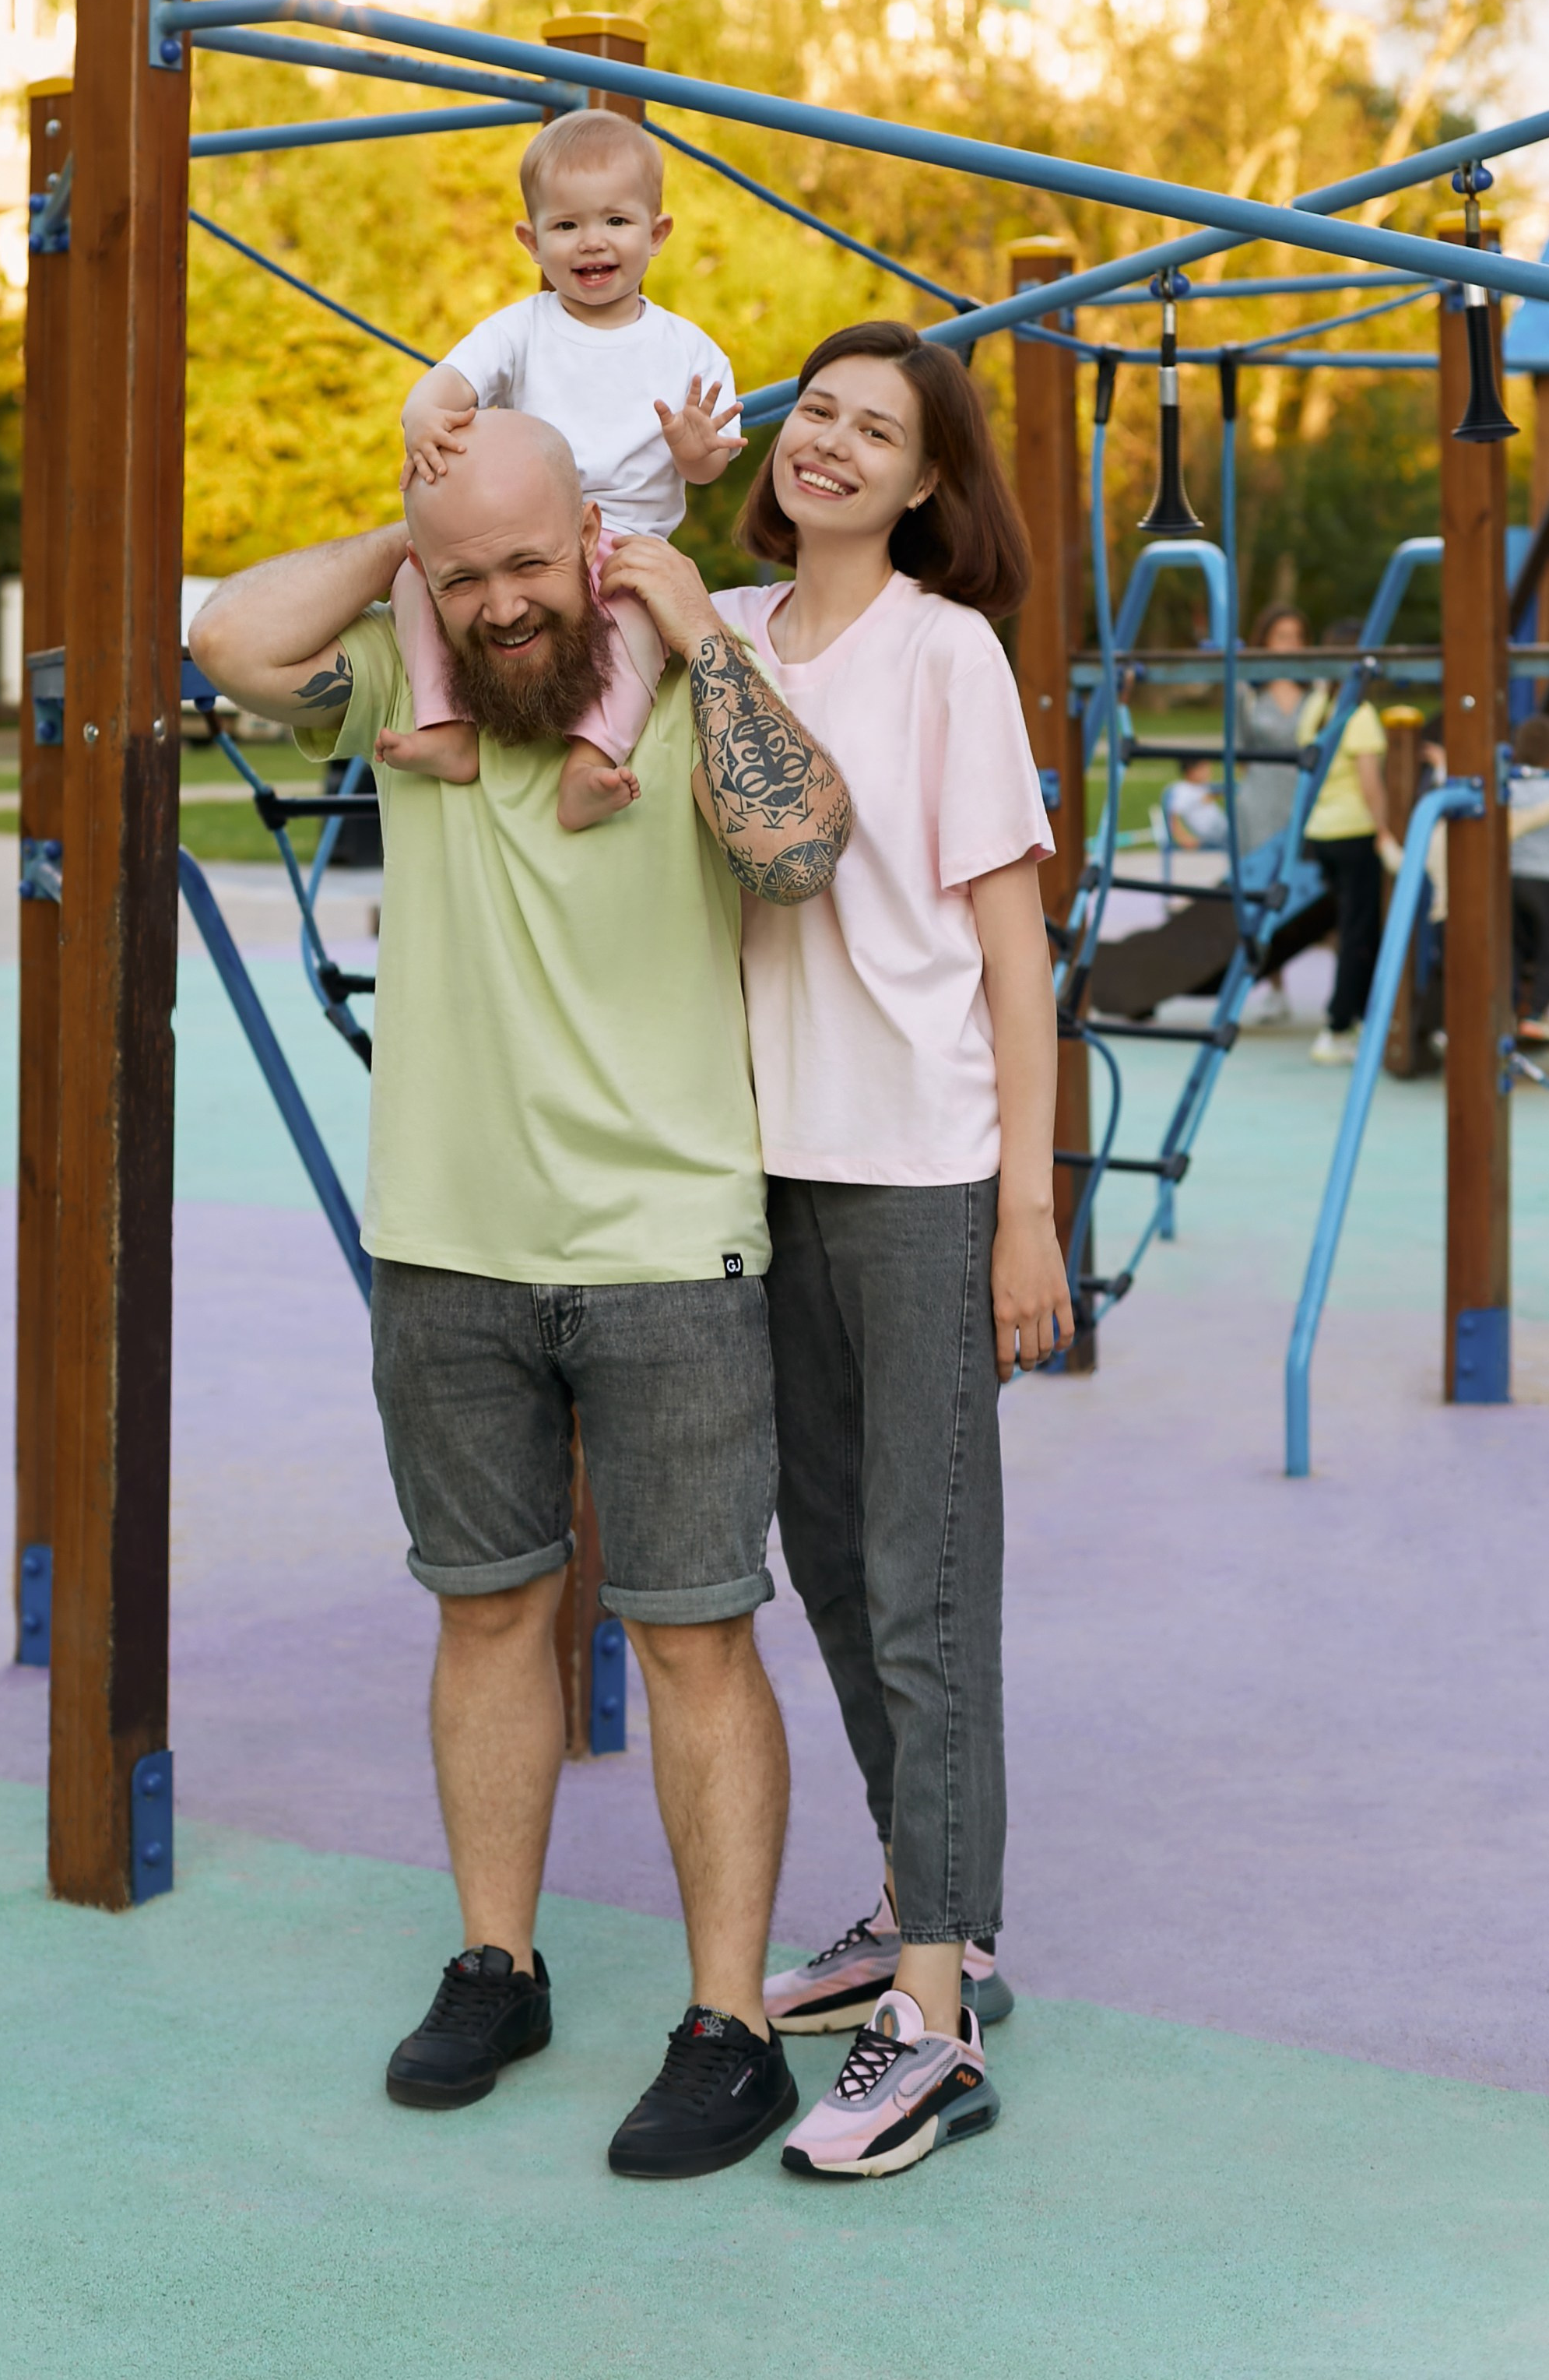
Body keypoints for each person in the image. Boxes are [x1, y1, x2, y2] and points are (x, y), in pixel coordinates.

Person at [190, 410, 852, 2181]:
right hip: (449, 1241)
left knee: (695, 1629)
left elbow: (797, 853)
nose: (496, 604)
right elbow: (224, 640)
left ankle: (725, 2024)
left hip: (662, 1244)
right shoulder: (403, 704)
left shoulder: (681, 672)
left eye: (524, 562)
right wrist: (395, 538)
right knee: (484, 1610)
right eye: (464, 572)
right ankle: (500, 1960)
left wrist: (700, 633)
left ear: (598, 540)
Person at [624, 321, 1073, 2179]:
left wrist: (1026, 1207)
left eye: (873, 430)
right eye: (813, 407)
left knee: (921, 1580)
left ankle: (938, 2022)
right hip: (764, 1172)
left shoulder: (938, 650)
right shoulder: (711, 612)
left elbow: (1008, 948)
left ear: (917, 486)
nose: (829, 442)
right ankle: (919, 1911)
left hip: (916, 1175)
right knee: (823, 1555)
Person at [385, 107, 744, 830]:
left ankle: (593, 758)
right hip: (527, 537)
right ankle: (448, 728)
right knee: (410, 576)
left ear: (657, 233)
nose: (593, 242)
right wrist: (421, 416)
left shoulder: (689, 349)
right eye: (567, 225)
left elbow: (706, 472)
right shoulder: (523, 327)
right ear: (531, 240)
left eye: (616, 221)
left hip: (631, 539)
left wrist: (693, 450)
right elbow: (448, 382)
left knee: (643, 622)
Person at [1298, 618, 1404, 1066]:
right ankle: (1337, 1025)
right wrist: (1384, 830)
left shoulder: (1317, 704)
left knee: (1352, 929)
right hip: (1353, 830)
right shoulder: (1358, 716)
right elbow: (1370, 782)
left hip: (1321, 831)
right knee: (1360, 931)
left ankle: (1357, 1014)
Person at [1235, 599, 1310, 1024]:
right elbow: (1240, 748)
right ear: (1266, 641)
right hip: (1260, 799)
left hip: (1298, 799)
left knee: (1308, 886)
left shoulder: (1315, 691)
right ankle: (1276, 986)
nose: (1291, 645)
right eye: (1283, 636)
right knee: (1264, 892)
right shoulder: (1250, 694)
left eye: (1297, 637)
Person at [1509, 712, 1549, 1042]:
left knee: (1514, 950)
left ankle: (1507, 1011)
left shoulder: (1511, 786)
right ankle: (1538, 1013)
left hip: (1511, 880)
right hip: (1544, 881)